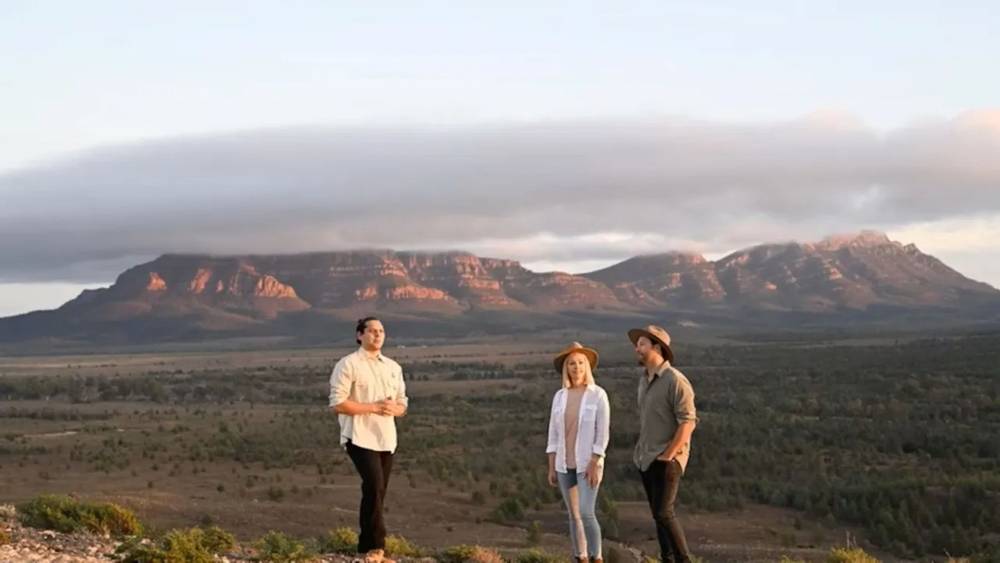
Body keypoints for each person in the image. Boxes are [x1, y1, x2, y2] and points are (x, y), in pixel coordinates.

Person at [329, 317, 408, 563]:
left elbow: (403, 401)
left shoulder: (393, 367)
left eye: (381, 331)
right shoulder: (348, 364)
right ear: (359, 335)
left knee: (377, 492)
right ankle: (376, 548)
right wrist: (373, 407)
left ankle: (366, 548)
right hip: (359, 436)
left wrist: (396, 409)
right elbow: (338, 403)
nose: (378, 335)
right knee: (374, 486)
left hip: (386, 438)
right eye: (372, 331)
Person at [628, 325, 698, 563]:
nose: (637, 348)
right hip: (646, 457)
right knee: (657, 516)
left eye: (642, 344)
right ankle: (667, 558)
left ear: (657, 348)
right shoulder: (644, 380)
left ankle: (683, 559)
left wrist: (669, 454)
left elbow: (688, 422)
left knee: (664, 512)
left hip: (668, 458)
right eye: (637, 344)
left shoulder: (675, 380)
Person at [546, 342, 611, 563]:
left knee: (586, 512)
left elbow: (602, 433)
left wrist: (595, 461)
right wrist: (552, 466)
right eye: (572, 363)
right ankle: (580, 557)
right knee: (573, 515)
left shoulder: (598, 395)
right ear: (566, 368)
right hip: (564, 464)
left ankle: (597, 557)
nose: (577, 367)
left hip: (588, 464)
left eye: (581, 363)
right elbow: (553, 435)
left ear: (587, 366)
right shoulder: (559, 396)